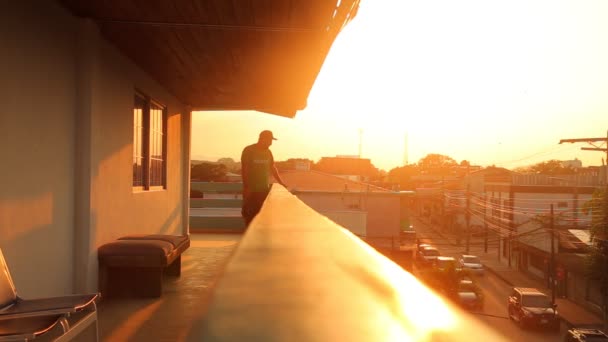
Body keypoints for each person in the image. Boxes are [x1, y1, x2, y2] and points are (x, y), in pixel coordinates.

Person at [240, 130, 286, 226]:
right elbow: (245, 169)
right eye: (269, 140)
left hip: (264, 190)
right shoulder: (249, 150)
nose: (271, 143)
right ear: (262, 139)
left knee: (261, 217)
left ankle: (257, 239)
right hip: (251, 190)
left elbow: (272, 167)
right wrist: (246, 187)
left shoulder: (268, 152)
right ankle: (249, 238)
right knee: (249, 216)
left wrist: (281, 182)